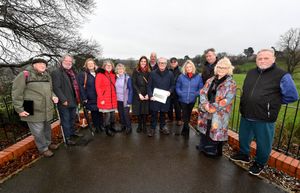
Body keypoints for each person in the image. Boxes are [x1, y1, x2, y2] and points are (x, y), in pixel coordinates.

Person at [230, 49, 299, 175]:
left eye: (266, 58)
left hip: (264, 117)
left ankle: (260, 163)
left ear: (273, 59)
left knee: (263, 143)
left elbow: (292, 96)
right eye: (259, 58)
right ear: (256, 60)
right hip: (246, 113)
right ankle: (244, 155)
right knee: (244, 138)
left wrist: (272, 103)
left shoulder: (282, 75)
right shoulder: (251, 73)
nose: (262, 60)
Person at [12, 58, 59, 157]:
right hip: (30, 107)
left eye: (44, 64)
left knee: (47, 128)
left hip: (46, 106)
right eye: (40, 64)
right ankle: (43, 148)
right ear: (34, 65)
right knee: (37, 131)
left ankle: (48, 143)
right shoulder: (24, 75)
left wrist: (53, 96)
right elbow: (17, 93)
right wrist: (19, 109)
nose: (43, 66)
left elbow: (50, 90)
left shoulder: (47, 75)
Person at [197, 57, 236, 157]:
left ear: (228, 69)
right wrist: (205, 105)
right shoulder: (210, 80)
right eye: (219, 67)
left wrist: (211, 108)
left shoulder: (231, 83)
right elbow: (202, 92)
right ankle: (203, 146)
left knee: (215, 129)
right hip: (207, 109)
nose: (220, 69)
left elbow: (227, 100)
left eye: (224, 68)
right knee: (206, 127)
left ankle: (212, 150)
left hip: (219, 112)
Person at [52, 54, 83, 145]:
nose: (69, 62)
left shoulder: (71, 72)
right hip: (64, 101)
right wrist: (63, 100)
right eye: (67, 61)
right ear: (62, 61)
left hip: (73, 100)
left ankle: (72, 133)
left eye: (70, 61)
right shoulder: (57, 72)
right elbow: (56, 88)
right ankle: (67, 138)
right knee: (66, 119)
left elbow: (75, 86)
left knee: (72, 118)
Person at [147, 57, 174, 137]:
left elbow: (173, 85)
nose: (162, 64)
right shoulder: (152, 73)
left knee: (163, 113)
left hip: (165, 98)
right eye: (160, 63)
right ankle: (152, 128)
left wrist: (170, 91)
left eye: (164, 63)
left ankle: (162, 127)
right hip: (155, 98)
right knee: (154, 114)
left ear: (166, 64)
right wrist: (150, 95)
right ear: (158, 64)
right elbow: (149, 86)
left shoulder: (170, 74)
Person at [176, 60, 203, 137]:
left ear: (193, 67)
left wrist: (195, 94)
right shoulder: (181, 77)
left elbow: (200, 88)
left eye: (190, 66)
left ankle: (185, 128)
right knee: (185, 114)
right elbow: (177, 87)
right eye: (187, 67)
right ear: (185, 68)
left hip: (192, 99)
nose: (188, 68)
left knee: (188, 113)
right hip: (183, 99)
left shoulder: (198, 77)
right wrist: (180, 94)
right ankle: (186, 129)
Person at [77, 58, 103, 133]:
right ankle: (97, 127)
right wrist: (84, 98)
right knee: (94, 112)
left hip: (99, 97)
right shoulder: (83, 74)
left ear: (95, 65)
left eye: (92, 63)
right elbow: (81, 87)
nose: (91, 65)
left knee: (100, 111)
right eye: (89, 64)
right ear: (86, 65)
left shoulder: (98, 73)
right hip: (90, 97)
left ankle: (101, 125)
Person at [95, 60, 117, 136]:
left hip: (113, 98)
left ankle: (112, 127)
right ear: (104, 66)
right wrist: (101, 99)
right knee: (107, 115)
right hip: (104, 99)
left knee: (113, 115)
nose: (108, 66)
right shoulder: (100, 75)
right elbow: (98, 88)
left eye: (110, 65)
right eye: (107, 65)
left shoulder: (113, 75)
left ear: (112, 66)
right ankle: (107, 130)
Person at [132, 56, 150, 133]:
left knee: (145, 111)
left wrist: (148, 94)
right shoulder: (136, 71)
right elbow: (133, 83)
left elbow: (151, 84)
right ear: (139, 62)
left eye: (144, 61)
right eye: (142, 61)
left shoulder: (149, 72)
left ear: (146, 63)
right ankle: (139, 125)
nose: (143, 63)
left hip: (146, 94)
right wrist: (139, 93)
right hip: (138, 94)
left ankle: (144, 126)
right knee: (139, 111)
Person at [115, 63, 133, 134]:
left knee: (126, 114)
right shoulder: (116, 78)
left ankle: (129, 127)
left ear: (124, 69)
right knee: (121, 114)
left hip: (125, 100)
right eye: (118, 69)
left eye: (121, 68)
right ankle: (123, 126)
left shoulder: (127, 78)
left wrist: (129, 100)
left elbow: (131, 90)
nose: (120, 70)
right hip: (118, 100)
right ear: (117, 70)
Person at [168, 57, 183, 126]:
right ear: (170, 63)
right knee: (169, 106)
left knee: (177, 107)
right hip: (169, 91)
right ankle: (170, 118)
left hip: (177, 91)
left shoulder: (180, 71)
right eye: (172, 62)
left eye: (174, 62)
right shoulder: (168, 71)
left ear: (177, 62)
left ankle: (179, 119)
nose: (173, 63)